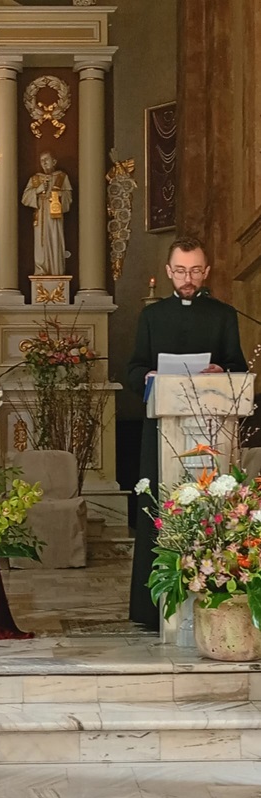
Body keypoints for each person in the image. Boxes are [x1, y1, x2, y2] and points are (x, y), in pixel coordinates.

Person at [127, 235, 248, 630]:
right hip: (161, 432)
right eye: (180, 271)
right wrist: (148, 375)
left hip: (212, 434)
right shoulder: (152, 317)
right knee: (159, 513)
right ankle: (152, 611)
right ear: (168, 271)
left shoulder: (223, 315)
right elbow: (133, 369)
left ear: (206, 271)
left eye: (195, 270)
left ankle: (214, 602)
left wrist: (221, 371)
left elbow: (238, 367)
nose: (187, 278)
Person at [21, 151, 72, 276]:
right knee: (41, 243)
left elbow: (68, 198)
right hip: (41, 215)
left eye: (46, 159)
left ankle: (56, 270)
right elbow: (25, 198)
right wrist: (37, 190)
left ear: (54, 161)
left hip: (55, 216)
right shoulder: (35, 179)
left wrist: (58, 195)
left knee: (55, 240)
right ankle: (41, 270)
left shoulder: (61, 177)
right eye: (41, 160)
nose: (44, 163)